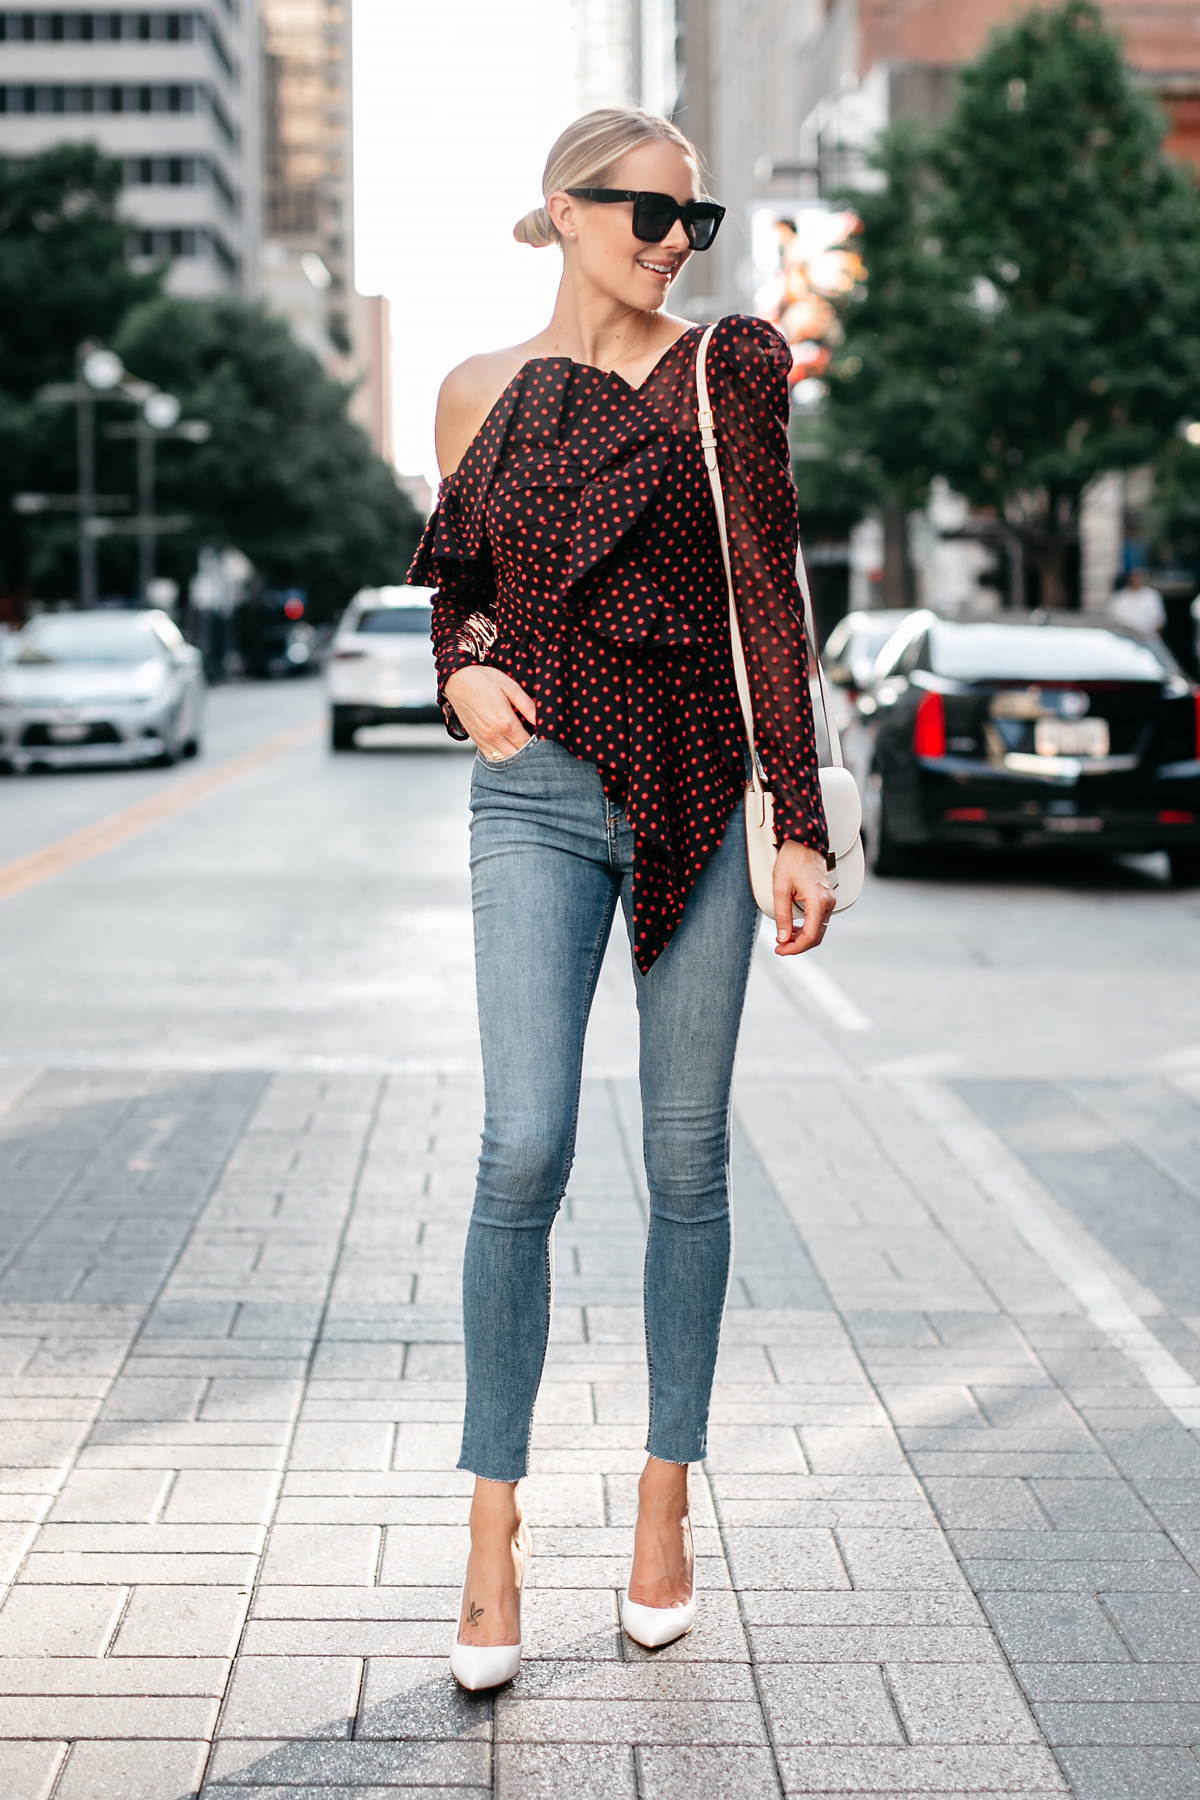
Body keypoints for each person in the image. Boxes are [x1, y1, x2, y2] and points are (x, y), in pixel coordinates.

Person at [408, 107, 835, 1691]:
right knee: (522, 1142)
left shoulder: (731, 368)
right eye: (648, 209)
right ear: (565, 210)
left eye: (693, 213)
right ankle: (492, 1530)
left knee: (685, 1156)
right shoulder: (474, 393)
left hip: (700, 787)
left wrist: (799, 820)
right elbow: (460, 595)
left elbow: (766, 603)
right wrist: (463, 678)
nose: (674, 237)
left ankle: (664, 1505)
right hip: (533, 799)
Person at [1109, 567, 1166, 637]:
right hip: (1126, 639)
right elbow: (1113, 621)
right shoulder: (1119, 598)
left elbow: (1159, 622)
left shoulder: (1152, 596)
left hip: (1147, 638)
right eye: (1134, 577)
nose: (1136, 580)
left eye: (1138, 577)